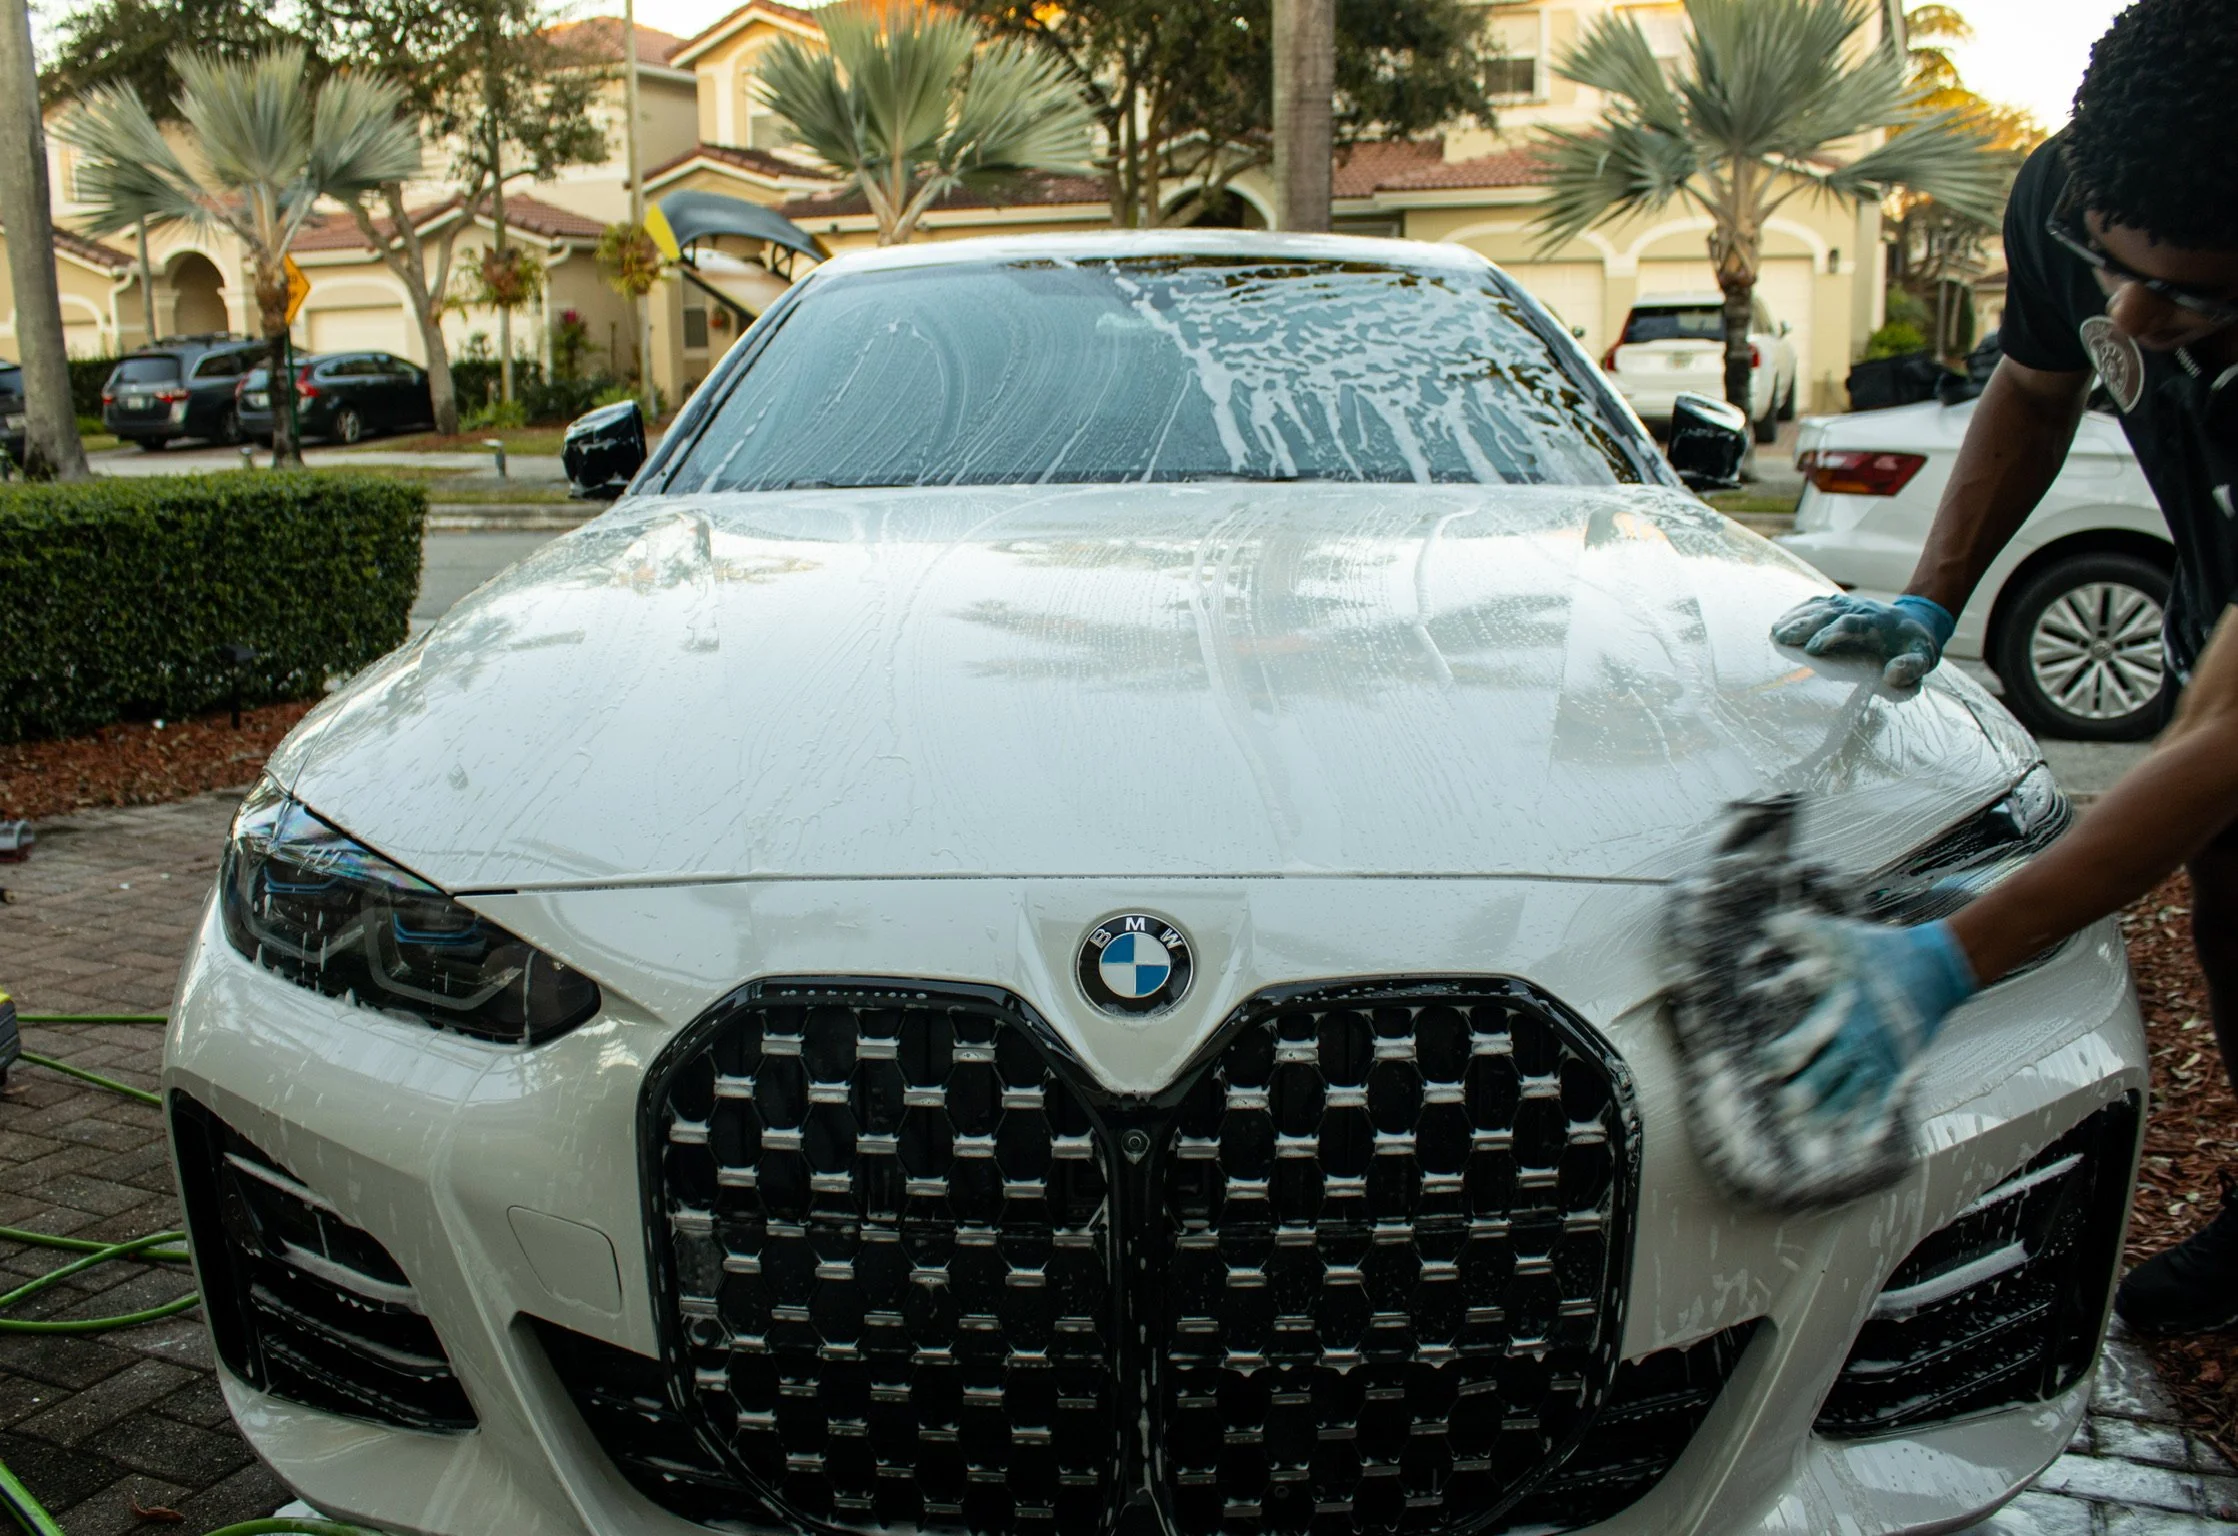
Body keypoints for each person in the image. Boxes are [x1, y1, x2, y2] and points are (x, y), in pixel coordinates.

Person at [1769, 0, 2238, 1335]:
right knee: (2230, 906)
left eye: (2194, 293)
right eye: (2112, 265)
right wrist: (1927, 600)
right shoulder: (2071, 190)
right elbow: (2038, 391)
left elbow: (2221, 738)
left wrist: (1945, 962)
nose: (2135, 315)